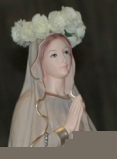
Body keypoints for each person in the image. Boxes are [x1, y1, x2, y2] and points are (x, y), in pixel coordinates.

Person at [9, 8, 97, 147]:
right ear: (39, 62)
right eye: (54, 55)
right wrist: (66, 130)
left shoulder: (73, 102)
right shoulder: (31, 102)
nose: (63, 59)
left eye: (66, 52)